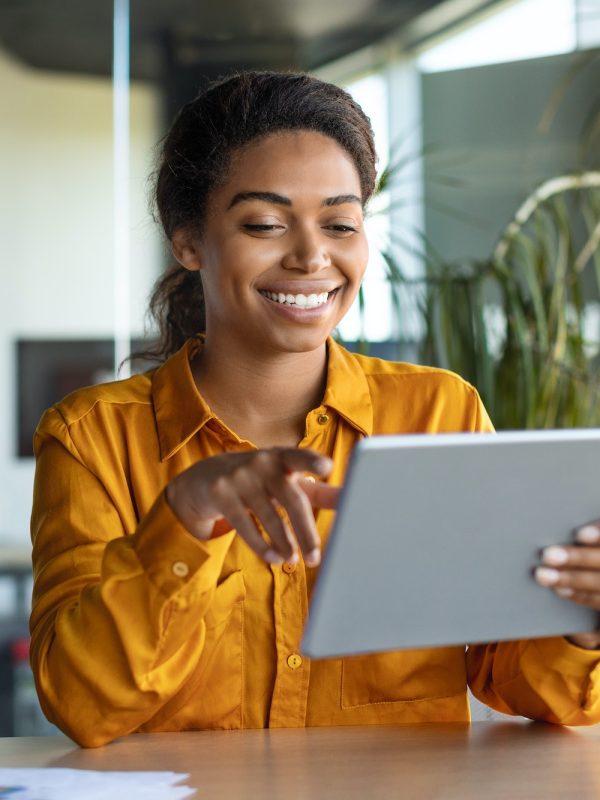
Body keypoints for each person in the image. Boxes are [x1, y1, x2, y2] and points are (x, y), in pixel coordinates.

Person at [30, 71, 600, 748]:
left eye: (339, 223)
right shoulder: (91, 438)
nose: (310, 256)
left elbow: (519, 681)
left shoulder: (437, 410)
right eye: (265, 223)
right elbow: (80, 703)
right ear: (186, 240)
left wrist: (579, 616)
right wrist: (182, 519)